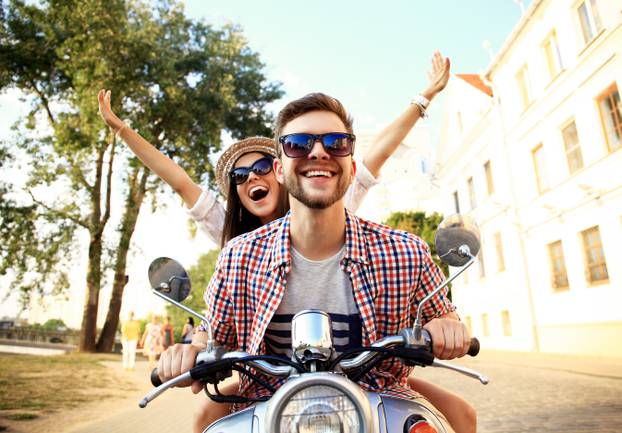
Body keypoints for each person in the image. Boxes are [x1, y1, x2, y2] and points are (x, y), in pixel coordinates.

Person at [159, 92, 477, 433]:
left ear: (352, 167)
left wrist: (448, 327)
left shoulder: (405, 251)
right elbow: (213, 336)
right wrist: (190, 352)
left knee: (456, 418)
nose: (318, 151)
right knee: (207, 420)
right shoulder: (237, 256)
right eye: (298, 143)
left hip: (378, 400)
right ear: (280, 169)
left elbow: (443, 315)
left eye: (336, 142)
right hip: (268, 406)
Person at [97, 51, 451, 247]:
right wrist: (123, 130)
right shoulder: (232, 237)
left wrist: (424, 98)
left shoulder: (324, 202)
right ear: (237, 191)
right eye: (240, 174)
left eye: (262, 166)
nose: (252, 175)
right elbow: (178, 180)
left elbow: (378, 155)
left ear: (282, 171)